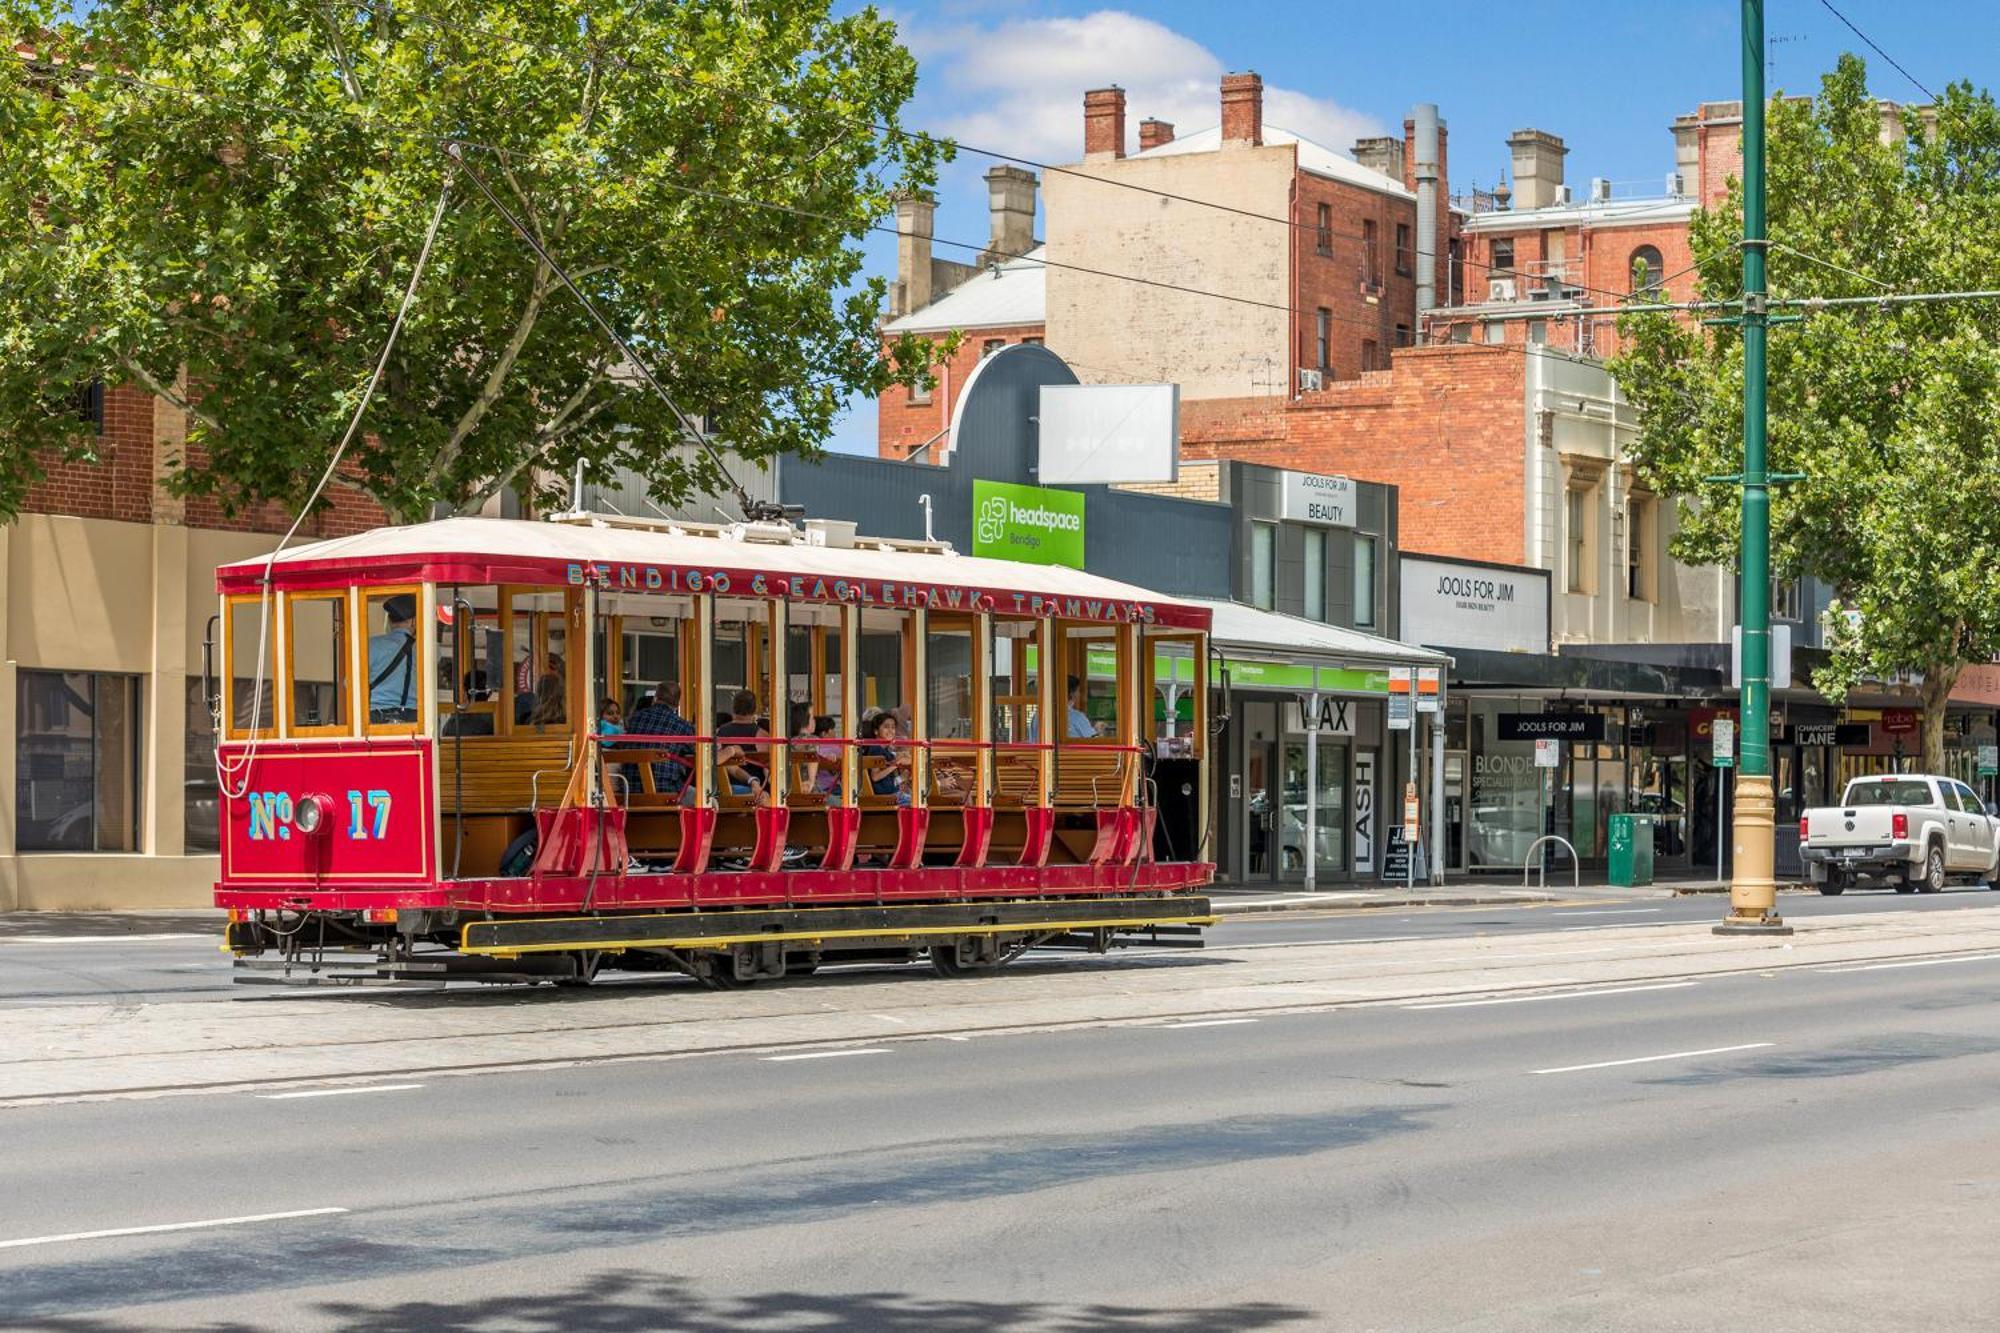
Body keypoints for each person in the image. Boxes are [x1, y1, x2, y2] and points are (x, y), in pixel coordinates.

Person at [625, 681, 696, 794]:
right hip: (665, 792)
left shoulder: (635, 718)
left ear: (655, 697)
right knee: (707, 799)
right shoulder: (682, 726)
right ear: (677, 703)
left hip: (630, 789)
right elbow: (700, 752)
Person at [366, 594, 419, 722]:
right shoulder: (423, 648)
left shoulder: (371, 645)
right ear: (413, 621)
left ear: (389, 621)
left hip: (375, 719)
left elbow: (349, 683)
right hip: (412, 719)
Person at [716, 689, 767, 795]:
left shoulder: (720, 731)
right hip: (755, 789)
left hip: (725, 787)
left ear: (734, 708)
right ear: (754, 709)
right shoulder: (761, 735)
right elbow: (768, 765)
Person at [860, 709, 911, 805]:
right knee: (920, 802)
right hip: (886, 797)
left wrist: (901, 777)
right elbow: (875, 777)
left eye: (893, 727)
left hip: (892, 793)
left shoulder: (885, 750)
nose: (891, 730)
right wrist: (897, 763)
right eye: (886, 727)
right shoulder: (876, 749)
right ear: (876, 731)